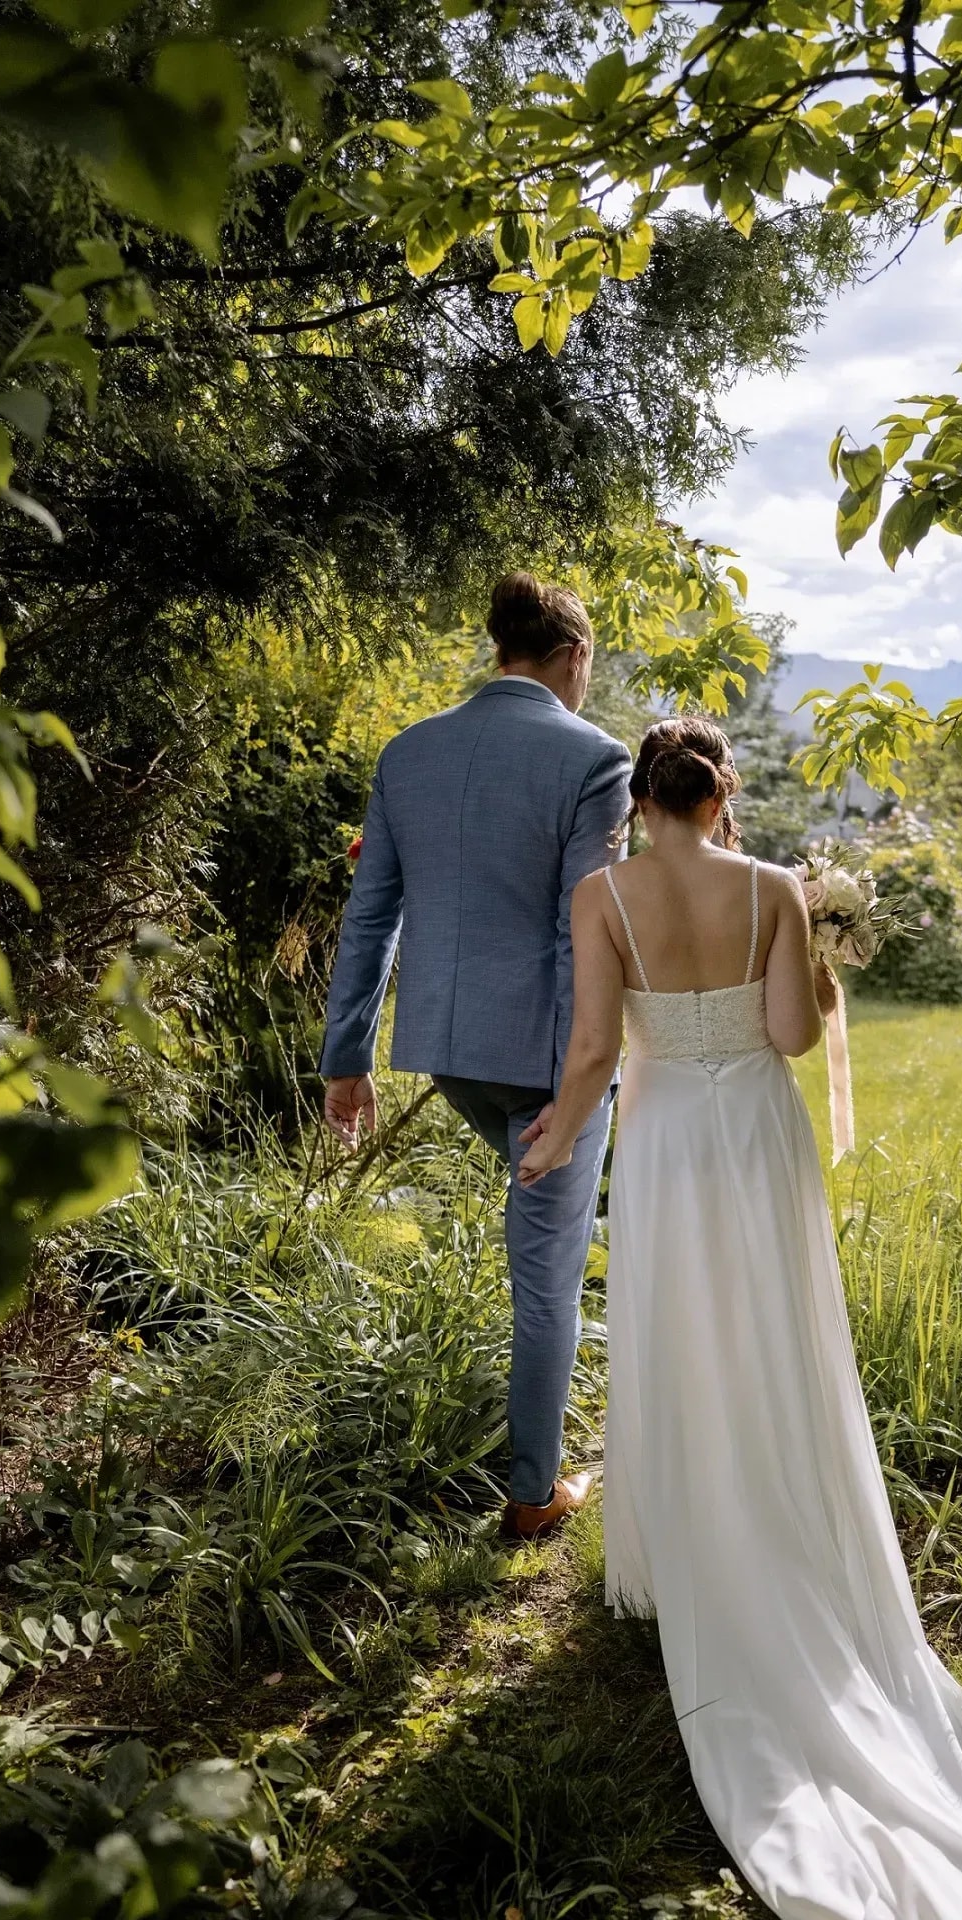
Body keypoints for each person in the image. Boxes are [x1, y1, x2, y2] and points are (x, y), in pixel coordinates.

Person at [518, 714, 962, 1920]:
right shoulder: (774, 892)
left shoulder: (603, 892)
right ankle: (781, 1523)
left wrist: (559, 1135)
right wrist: (816, 946)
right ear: (723, 791)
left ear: (638, 798)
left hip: (674, 1140)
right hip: (753, 1130)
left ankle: (689, 1539)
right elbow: (795, 1038)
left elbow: (589, 1049)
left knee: (681, 1334)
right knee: (775, 1344)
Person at [321, 571, 630, 1542]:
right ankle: (535, 1494)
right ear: (572, 656)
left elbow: (370, 916)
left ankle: (539, 1419)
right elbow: (587, 927)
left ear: (501, 652)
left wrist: (346, 1059)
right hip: (549, 1057)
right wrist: (586, 1085)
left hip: (447, 1048)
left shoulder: (408, 753)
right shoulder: (596, 757)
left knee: (543, 1235)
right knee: (546, 1265)